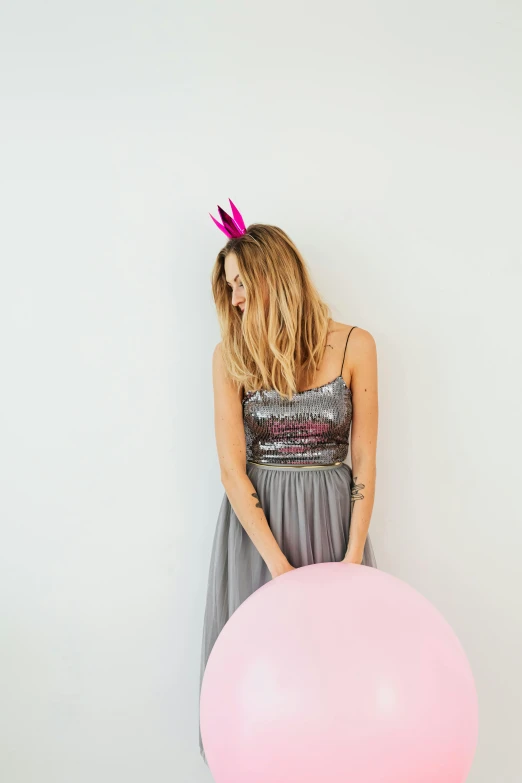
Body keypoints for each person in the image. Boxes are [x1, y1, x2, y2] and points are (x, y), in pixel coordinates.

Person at [198, 199, 379, 765]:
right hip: (258, 535)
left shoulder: (355, 345)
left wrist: (351, 558)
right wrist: (276, 567)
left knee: (335, 677)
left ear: (273, 273)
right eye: (228, 288)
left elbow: (366, 459)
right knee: (265, 681)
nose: (235, 298)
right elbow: (233, 470)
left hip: (333, 530)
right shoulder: (230, 356)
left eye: (240, 282)